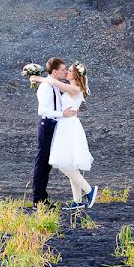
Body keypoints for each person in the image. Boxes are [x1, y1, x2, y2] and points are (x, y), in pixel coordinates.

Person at [30, 61, 97, 210]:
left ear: (75, 75)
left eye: (69, 70)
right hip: (64, 125)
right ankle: (78, 201)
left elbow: (53, 81)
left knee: (64, 163)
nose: (66, 72)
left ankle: (89, 190)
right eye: (64, 69)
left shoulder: (73, 88)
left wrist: (37, 78)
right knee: (68, 162)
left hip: (67, 126)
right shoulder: (71, 88)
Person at [32, 57, 77, 205]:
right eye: (63, 69)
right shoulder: (46, 87)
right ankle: (38, 199)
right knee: (43, 162)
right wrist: (62, 114)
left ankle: (42, 198)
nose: (65, 71)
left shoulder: (55, 85)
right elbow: (42, 110)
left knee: (48, 163)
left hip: (54, 125)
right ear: (55, 71)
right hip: (47, 125)